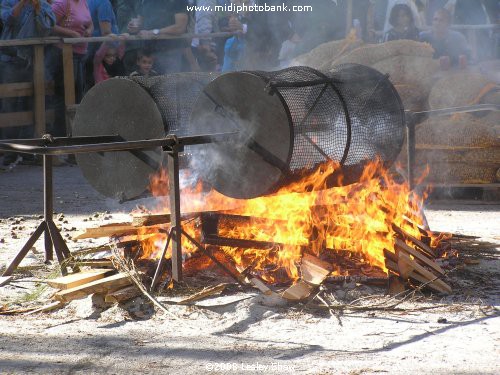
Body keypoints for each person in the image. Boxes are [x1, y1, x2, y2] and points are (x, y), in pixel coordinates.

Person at [0, 0, 55, 165]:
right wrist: (23, 2)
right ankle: (10, 152)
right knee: (9, 105)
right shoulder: (6, 2)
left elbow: (47, 29)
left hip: (34, 61)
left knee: (33, 104)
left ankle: (28, 150)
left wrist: (37, 9)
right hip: (10, 60)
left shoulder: (42, 4)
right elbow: (8, 20)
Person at [45, 0, 93, 137]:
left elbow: (90, 23)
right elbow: (48, 25)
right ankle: (61, 136)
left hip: (80, 54)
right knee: (64, 97)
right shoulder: (61, 3)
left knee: (78, 95)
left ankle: (75, 135)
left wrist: (89, 30)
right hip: (63, 55)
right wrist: (70, 34)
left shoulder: (83, 2)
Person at [128, 0, 188, 74]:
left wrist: (154, 32)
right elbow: (140, 22)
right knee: (149, 84)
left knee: (170, 83)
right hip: (148, 53)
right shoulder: (145, 1)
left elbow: (180, 27)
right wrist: (134, 26)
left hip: (170, 52)